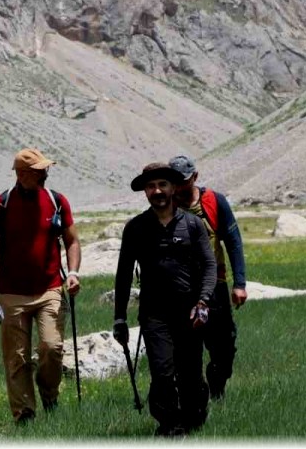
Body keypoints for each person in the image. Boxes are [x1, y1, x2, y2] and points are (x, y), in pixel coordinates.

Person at [0, 148, 81, 423]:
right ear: (22, 174)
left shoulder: (57, 201)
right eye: (39, 171)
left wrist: (73, 273)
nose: (45, 173)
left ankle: (49, 395)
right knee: (17, 357)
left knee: (51, 347)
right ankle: (24, 415)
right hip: (12, 294)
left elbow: (72, 241)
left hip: (50, 289)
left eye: (45, 169)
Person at [113, 163, 217, 436]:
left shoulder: (192, 224)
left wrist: (203, 301)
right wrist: (119, 318)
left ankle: (194, 413)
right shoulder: (135, 228)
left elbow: (209, 265)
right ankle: (169, 425)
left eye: (162, 185)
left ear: (173, 188)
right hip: (153, 314)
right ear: (145, 191)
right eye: (151, 186)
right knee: (162, 372)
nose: (157, 191)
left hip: (190, 312)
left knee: (190, 373)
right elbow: (123, 275)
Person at [169, 155, 247, 400]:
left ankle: (216, 386)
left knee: (224, 347)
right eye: (174, 181)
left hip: (215, 286)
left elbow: (233, 242)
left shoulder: (214, 201)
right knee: (184, 349)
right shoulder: (164, 205)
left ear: (195, 177)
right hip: (180, 291)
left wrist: (240, 284)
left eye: (183, 181)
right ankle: (193, 396)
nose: (178, 187)